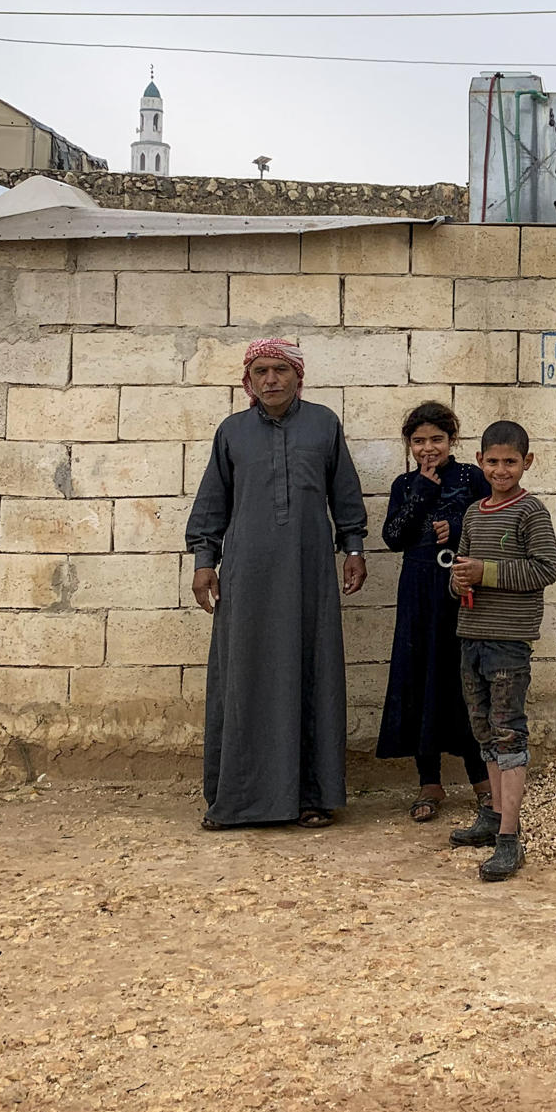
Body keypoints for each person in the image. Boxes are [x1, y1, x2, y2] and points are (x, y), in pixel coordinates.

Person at [186, 337, 368, 831]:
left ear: (297, 376)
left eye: (280, 370)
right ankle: (238, 800)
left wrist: (353, 550)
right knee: (245, 675)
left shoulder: (324, 424)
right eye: (261, 370)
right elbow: (212, 503)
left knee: (311, 670)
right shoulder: (232, 433)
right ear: (249, 379)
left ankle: (311, 795)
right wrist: (205, 560)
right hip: (247, 577)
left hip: (310, 575)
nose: (271, 379)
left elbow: (345, 495)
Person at [446, 420, 556, 881]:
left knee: (508, 732)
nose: (501, 469)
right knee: (484, 730)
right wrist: (457, 581)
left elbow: (544, 569)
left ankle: (510, 837)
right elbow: (464, 571)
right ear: (480, 462)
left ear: (526, 462)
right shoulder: (474, 514)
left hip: (509, 642)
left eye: (510, 461)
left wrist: (485, 572)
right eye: (493, 461)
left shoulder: (531, 512)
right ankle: (493, 816)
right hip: (471, 636)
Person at [375, 401, 492, 823]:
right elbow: (393, 536)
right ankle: (429, 782)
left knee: (466, 681)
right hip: (418, 594)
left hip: (462, 593)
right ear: (409, 444)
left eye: (436, 439)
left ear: (451, 440)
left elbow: (492, 525)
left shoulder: (472, 477)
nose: (428, 448)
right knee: (420, 678)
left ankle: (482, 780)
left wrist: (457, 528)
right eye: (419, 440)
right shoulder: (404, 484)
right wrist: (422, 493)